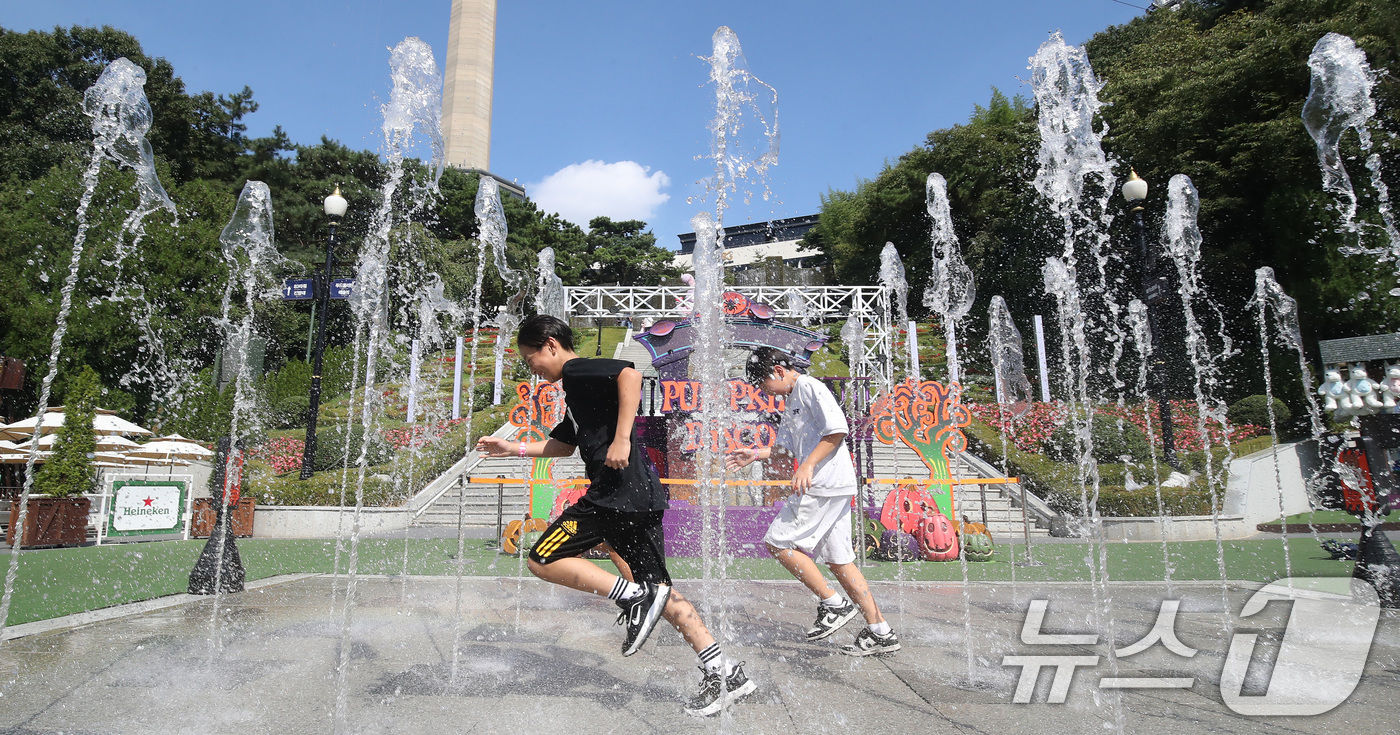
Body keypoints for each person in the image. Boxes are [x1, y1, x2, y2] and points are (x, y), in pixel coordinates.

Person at [477, 314, 755, 716]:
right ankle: (725, 671)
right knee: (662, 592)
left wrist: (622, 437)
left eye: (530, 358)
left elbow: (630, 375)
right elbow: (561, 447)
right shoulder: (576, 394)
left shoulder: (576, 371)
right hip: (636, 497)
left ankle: (634, 596)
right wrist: (510, 448)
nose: (531, 368)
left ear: (551, 345)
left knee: (542, 558)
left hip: (614, 494)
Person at [726, 347, 901, 656]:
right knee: (840, 561)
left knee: (777, 543)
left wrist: (807, 466)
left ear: (779, 372)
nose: (765, 391)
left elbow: (836, 431)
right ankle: (880, 631)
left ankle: (833, 604)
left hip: (822, 483)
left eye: (764, 384)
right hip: (832, 485)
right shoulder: (791, 400)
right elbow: (784, 449)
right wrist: (753, 454)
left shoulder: (810, 387)